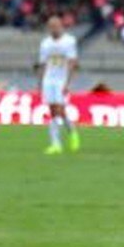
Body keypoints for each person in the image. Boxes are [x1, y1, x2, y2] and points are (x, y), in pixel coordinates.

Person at [36, 16, 80, 155]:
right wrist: (40, 83)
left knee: (60, 110)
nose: (53, 29)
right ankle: (56, 144)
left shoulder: (69, 41)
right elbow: (43, 64)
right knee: (53, 111)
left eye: (56, 26)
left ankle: (72, 132)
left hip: (61, 79)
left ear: (61, 26)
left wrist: (68, 82)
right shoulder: (45, 43)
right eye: (51, 26)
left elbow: (72, 63)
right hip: (49, 80)